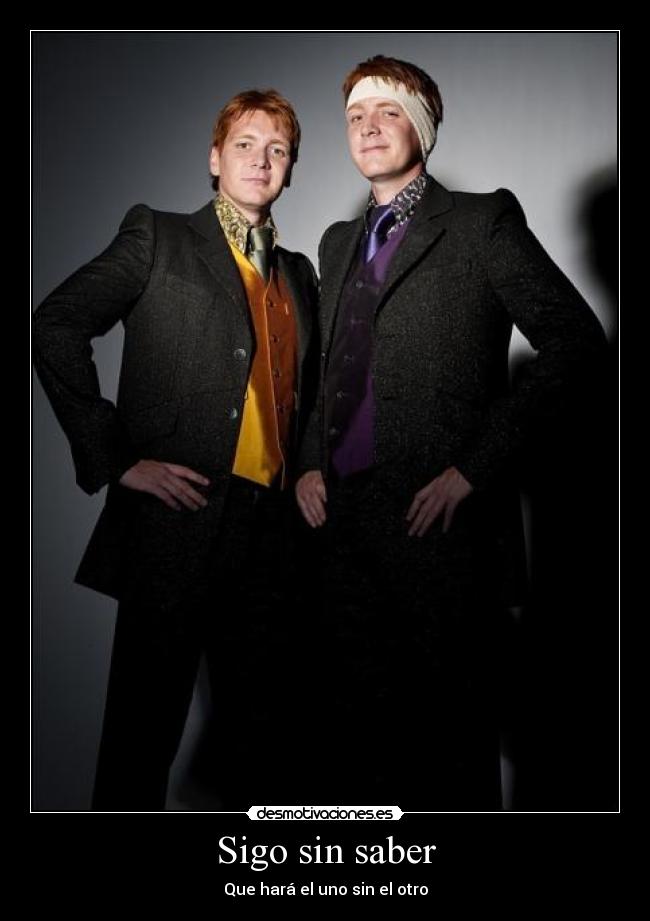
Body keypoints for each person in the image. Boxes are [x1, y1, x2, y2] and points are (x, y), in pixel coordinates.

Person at [295, 55, 607, 810]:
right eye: (355, 117)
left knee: (454, 749)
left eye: (388, 112)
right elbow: (327, 366)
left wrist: (474, 469)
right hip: (341, 530)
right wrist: (306, 463)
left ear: (423, 126)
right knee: (360, 750)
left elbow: (575, 341)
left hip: (441, 526)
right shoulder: (336, 242)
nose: (368, 128)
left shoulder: (480, 221)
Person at [33, 89, 318, 811]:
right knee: (139, 745)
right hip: (176, 524)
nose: (261, 160)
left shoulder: (301, 277)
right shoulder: (158, 236)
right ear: (215, 158)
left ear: (291, 169)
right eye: (246, 144)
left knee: (265, 752)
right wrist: (116, 457)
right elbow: (55, 324)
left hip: (272, 540)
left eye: (278, 150)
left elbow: (309, 401)